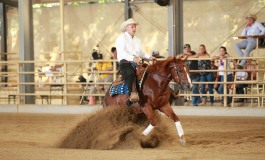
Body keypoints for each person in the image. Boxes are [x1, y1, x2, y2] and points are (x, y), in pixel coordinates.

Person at [115, 18, 155, 104]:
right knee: (130, 74)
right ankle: (131, 95)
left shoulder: (137, 40)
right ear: (126, 28)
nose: (134, 28)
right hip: (125, 62)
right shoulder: (121, 38)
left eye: (135, 27)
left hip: (137, 62)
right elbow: (122, 52)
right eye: (132, 27)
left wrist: (149, 57)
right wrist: (133, 58)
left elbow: (142, 52)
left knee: (150, 73)